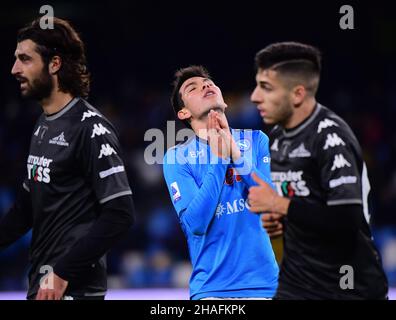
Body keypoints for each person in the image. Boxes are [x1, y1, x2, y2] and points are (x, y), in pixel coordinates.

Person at [0, 17, 135, 300]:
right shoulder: (42, 125)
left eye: (25, 59)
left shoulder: (91, 128)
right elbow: (27, 208)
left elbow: (120, 213)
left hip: (74, 289)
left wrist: (62, 273)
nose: (14, 69)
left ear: (55, 64)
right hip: (42, 287)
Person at [248, 41, 388, 299]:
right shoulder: (278, 137)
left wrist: (280, 205)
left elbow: (346, 220)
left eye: (266, 87)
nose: (255, 96)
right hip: (297, 286)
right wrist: (282, 221)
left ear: (298, 94)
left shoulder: (331, 138)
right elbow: (307, 204)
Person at [163, 65, 279, 300]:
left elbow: (272, 202)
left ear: (224, 100)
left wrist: (235, 154)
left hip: (265, 288)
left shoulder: (256, 141)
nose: (205, 85)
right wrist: (219, 158)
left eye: (208, 82)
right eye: (191, 88)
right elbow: (195, 223)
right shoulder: (177, 157)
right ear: (184, 113)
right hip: (212, 292)